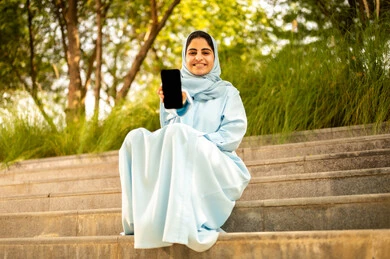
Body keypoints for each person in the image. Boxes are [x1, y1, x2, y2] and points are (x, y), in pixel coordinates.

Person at [118, 30, 250, 252]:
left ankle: (179, 224)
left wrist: (198, 140)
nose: (199, 57)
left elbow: (232, 134)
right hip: (183, 154)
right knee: (135, 138)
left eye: (206, 52)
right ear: (185, 57)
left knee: (180, 134)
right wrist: (179, 106)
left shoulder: (228, 92)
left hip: (220, 162)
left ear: (214, 57)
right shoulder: (177, 91)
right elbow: (170, 137)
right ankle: (139, 223)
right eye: (192, 52)